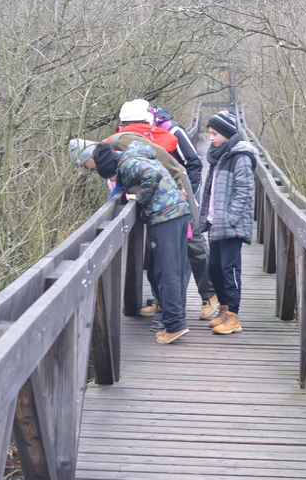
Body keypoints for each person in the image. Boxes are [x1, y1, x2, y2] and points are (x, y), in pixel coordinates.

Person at [115, 100, 219, 323]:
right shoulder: (127, 136)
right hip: (160, 196)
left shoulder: (172, 130)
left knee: (194, 242)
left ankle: (209, 294)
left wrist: (190, 194)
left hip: (181, 189)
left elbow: (193, 161)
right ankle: (160, 300)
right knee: (160, 248)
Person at [90, 140, 191, 344]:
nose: (113, 179)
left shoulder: (128, 163)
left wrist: (139, 197)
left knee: (167, 270)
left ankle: (175, 325)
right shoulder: (139, 155)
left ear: (112, 168)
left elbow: (151, 176)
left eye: (111, 176)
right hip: (178, 211)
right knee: (174, 268)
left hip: (165, 216)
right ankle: (175, 321)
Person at [198, 111, 259, 335]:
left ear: (226, 132)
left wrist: (231, 218)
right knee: (214, 269)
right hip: (216, 223)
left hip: (231, 226)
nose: (211, 138)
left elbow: (245, 191)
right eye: (210, 134)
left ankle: (233, 315)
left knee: (230, 269)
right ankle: (223, 310)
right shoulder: (219, 155)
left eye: (215, 133)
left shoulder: (240, 155)